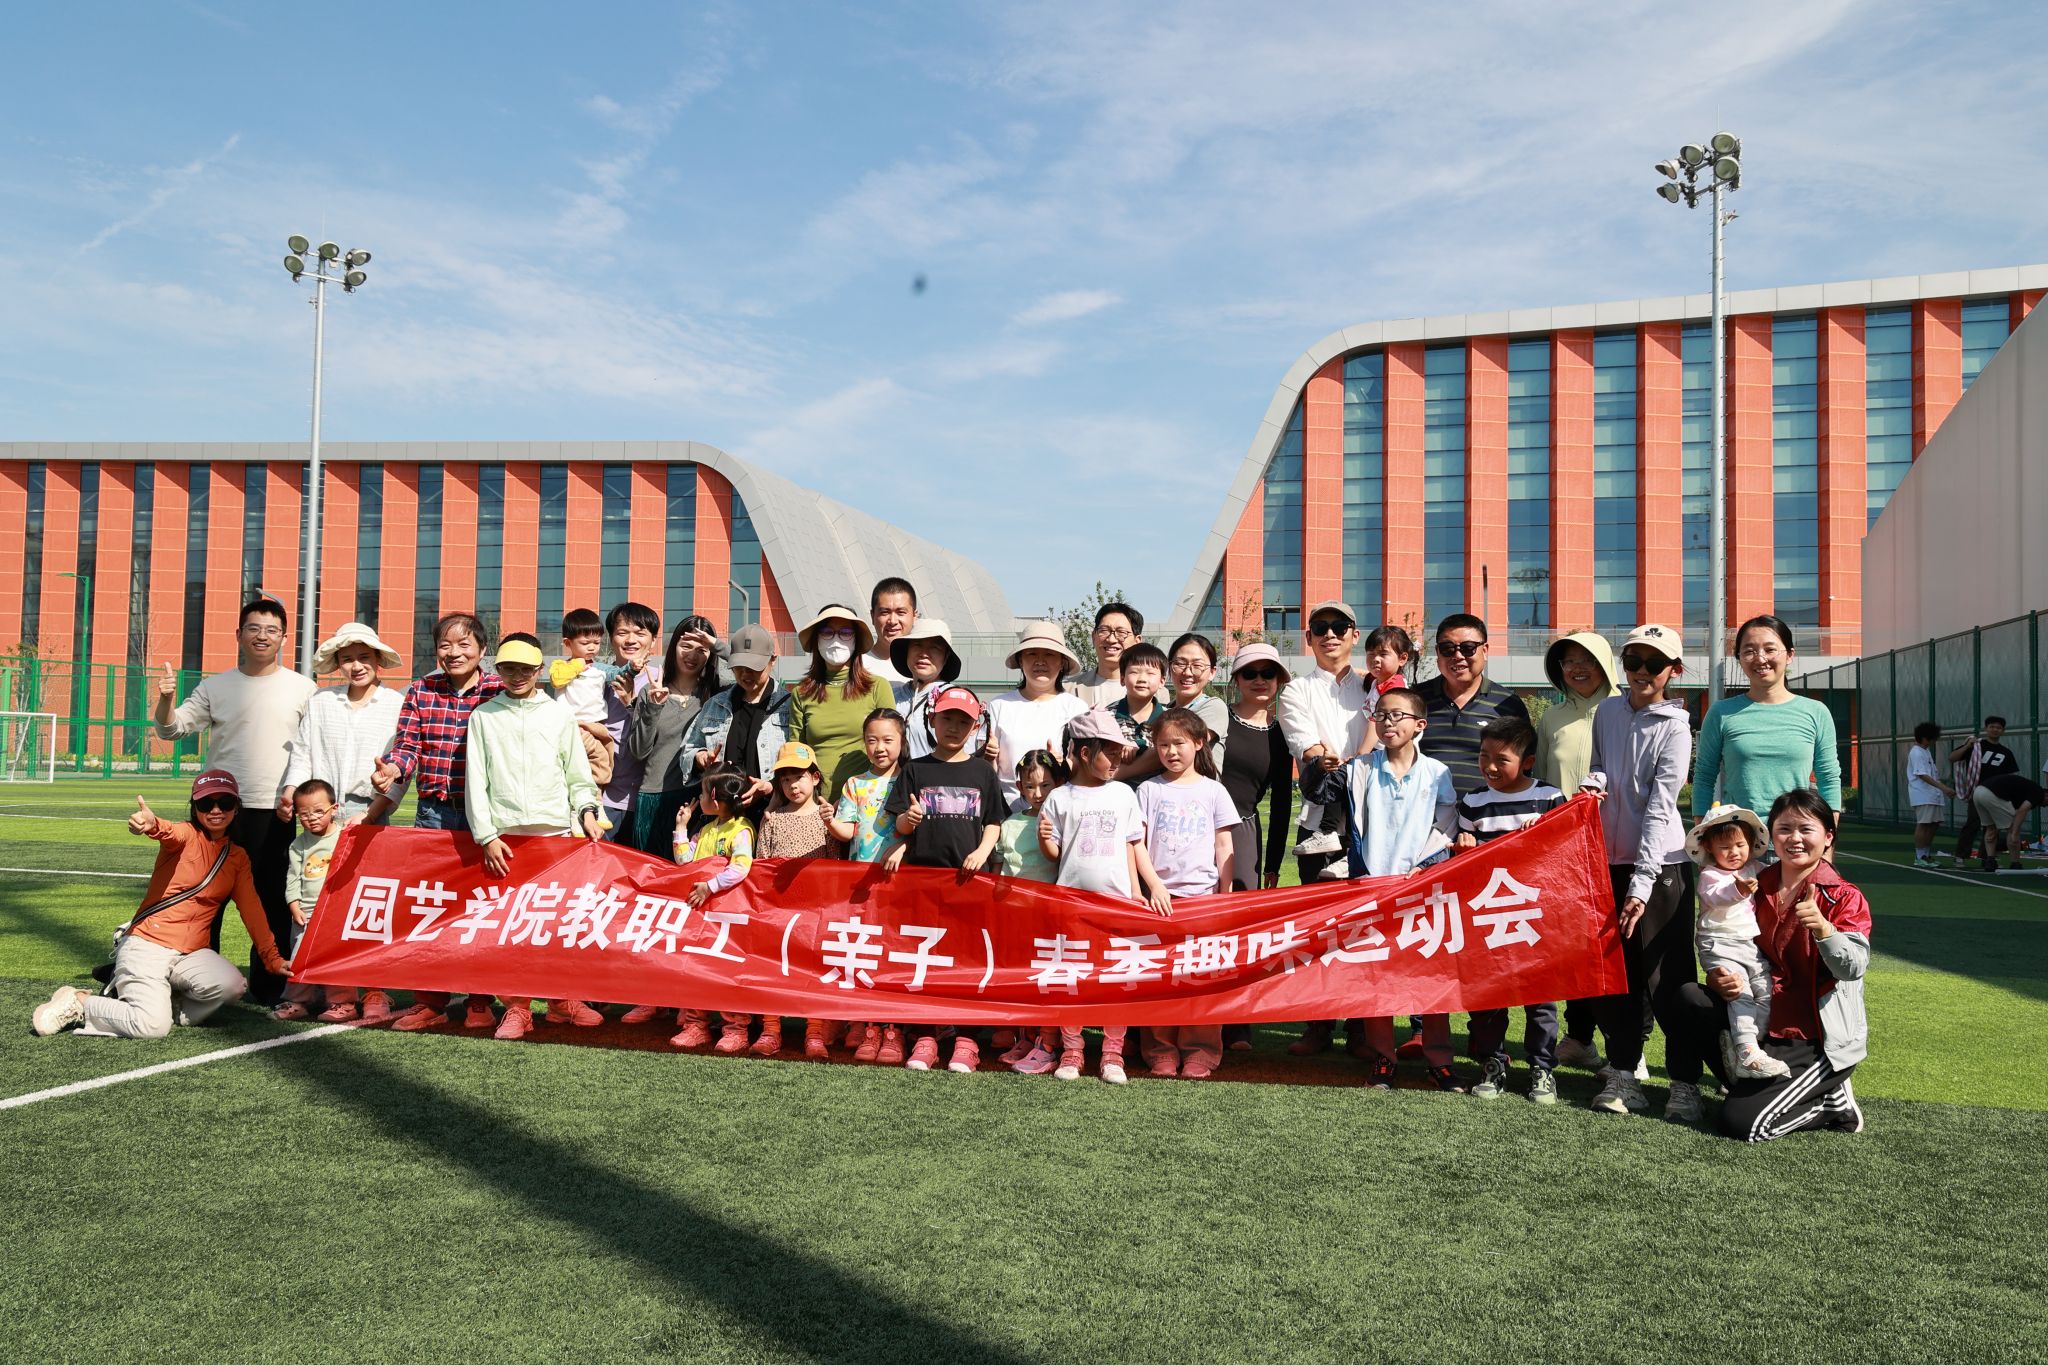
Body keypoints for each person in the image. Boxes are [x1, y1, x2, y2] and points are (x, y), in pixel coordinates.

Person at [1668, 791, 1872, 1141]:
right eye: (1785, 829)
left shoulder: (1842, 895)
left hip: (1812, 1037)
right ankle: (1731, 1084)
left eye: (1806, 829)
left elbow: (1852, 968)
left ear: (1828, 837)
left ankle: (1831, 1102)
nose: (1795, 838)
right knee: (1690, 998)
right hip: (1763, 1018)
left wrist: (1825, 930)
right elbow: (1724, 940)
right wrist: (1718, 979)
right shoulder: (1751, 884)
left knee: (1742, 1124)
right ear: (1770, 835)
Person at [32, 771, 291, 1040]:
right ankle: (79, 1001)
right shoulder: (186, 835)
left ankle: (162, 1002)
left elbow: (252, 911)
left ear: (236, 808)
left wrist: (272, 959)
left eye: (225, 803)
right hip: (148, 944)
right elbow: (167, 831)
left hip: (191, 953)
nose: (216, 810)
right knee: (152, 1027)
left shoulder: (237, 857)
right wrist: (150, 823)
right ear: (194, 807)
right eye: (206, 804)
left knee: (232, 986)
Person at [152, 595, 317, 1006]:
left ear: (284, 638)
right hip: (218, 809)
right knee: (204, 899)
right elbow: (172, 730)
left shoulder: (303, 689)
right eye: (254, 628)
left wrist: (299, 793)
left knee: (272, 900)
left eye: (272, 630)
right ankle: (197, 983)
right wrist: (167, 700)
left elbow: (313, 747)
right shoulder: (215, 686)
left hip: (275, 810)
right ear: (239, 634)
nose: (262, 636)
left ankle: (269, 985)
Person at [1299, 685, 1460, 1091]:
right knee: (1376, 980)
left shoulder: (1437, 773)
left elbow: (1446, 826)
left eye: (1397, 715)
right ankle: (1383, 1059)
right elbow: (1317, 791)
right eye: (1381, 715)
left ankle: (1439, 1060)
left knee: (1430, 980)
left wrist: (1425, 868)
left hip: (1421, 889)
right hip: (1371, 889)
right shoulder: (1359, 769)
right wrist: (1318, 766)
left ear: (1420, 725)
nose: (1388, 722)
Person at [1581, 624, 1704, 1121]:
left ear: (1673, 671)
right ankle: (1623, 1073)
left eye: (1654, 664)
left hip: (1661, 868)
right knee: (1616, 977)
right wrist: (1593, 783)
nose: (1641, 671)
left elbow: (1660, 807)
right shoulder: (1608, 711)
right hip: (1608, 864)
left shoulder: (1676, 727)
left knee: (1667, 979)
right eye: (1633, 660)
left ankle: (1685, 1083)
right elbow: (1600, 766)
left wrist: (1641, 883)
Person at [464, 633, 607, 1043]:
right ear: (498, 670)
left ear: (539, 670)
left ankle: (561, 1000)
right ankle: (518, 1008)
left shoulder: (558, 715)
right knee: (511, 930)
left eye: (525, 669)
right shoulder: (484, 716)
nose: (517, 675)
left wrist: (588, 811)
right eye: (509, 668)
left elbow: (578, 775)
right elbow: (476, 780)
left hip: (555, 836)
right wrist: (486, 835)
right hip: (505, 840)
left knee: (556, 925)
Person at [371, 611, 506, 1034]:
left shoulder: (499, 689)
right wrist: (393, 769)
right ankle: (430, 1001)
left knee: (482, 908)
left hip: (486, 816)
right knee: (430, 906)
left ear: (482, 649)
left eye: (464, 644)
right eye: (445, 645)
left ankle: (480, 1000)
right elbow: (408, 746)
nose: (454, 652)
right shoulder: (421, 690)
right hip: (433, 812)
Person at [1038, 708, 1171, 1084]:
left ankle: (1112, 1053)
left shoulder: (1123, 794)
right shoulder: (1059, 798)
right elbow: (1055, 855)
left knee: (1117, 979)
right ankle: (1072, 1050)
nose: (1117, 760)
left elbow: (1134, 845)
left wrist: (1149, 887)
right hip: (1071, 907)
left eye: (1118, 752)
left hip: (1116, 906)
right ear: (1084, 753)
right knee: (1072, 979)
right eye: (1109, 752)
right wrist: (1044, 839)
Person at [885, 686, 1009, 1072]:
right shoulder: (915, 769)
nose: (954, 727)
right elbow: (899, 824)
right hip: (923, 883)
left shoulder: (982, 771)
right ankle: (926, 1035)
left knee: (968, 962)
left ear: (975, 728)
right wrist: (909, 822)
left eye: (962, 721)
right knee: (924, 959)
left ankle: (967, 1039)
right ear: (932, 720)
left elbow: (994, 821)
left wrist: (982, 851)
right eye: (947, 719)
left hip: (969, 884)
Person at [1276, 602, 1373, 1057]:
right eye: (1320, 628)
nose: (1329, 635)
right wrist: (1351, 762)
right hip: (1319, 822)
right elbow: (1310, 749)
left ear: (1355, 634)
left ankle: (1363, 1026)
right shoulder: (1295, 690)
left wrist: (1346, 763)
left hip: (1374, 822)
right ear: (1309, 638)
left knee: (1368, 927)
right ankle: (1318, 1023)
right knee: (1319, 928)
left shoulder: (1375, 686)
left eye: (1339, 627)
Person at [1455, 716, 1566, 1103]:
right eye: (1483, 756)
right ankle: (1493, 1062)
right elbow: (1463, 865)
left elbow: (1563, 854)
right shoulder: (1473, 802)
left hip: (1535, 916)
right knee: (1488, 996)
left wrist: (1543, 836)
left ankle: (1542, 1067)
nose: (1489, 766)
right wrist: (1463, 850)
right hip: (1488, 915)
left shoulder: (1549, 798)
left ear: (1528, 762)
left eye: (1501, 759)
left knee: (1541, 998)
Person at [1135, 707, 1241, 1079]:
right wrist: (1153, 886)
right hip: (1159, 901)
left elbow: (1224, 845)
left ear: (1199, 743)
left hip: (1203, 899)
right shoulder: (1148, 790)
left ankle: (1201, 1050)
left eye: (1178, 743)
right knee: (1158, 978)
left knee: (1201, 978)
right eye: (1163, 744)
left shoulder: (1214, 790)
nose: (1171, 751)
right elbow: (1137, 844)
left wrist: (1224, 893)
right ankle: (1160, 1050)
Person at [1535, 629, 1621, 1072]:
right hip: (1565, 854)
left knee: (1619, 948)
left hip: (1617, 846)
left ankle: (1629, 1046)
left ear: (1605, 663)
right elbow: (1540, 782)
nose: (1577, 668)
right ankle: (1579, 1038)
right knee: (1572, 948)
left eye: (1586, 659)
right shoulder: (1552, 718)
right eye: (1568, 661)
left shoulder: (1626, 709)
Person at [1692, 614, 1842, 823]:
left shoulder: (1816, 712)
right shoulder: (1721, 712)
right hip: (1739, 837)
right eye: (1749, 651)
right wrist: (1701, 831)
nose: (1760, 658)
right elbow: (1704, 777)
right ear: (1739, 658)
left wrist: (1828, 834)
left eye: (1770, 649)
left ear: (1789, 655)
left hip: (1795, 836)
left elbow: (1829, 778)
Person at [828, 709, 911, 1065]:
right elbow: (847, 831)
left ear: (902, 741)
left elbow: (920, 828)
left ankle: (892, 1028)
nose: (880, 748)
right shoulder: (855, 784)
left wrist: (904, 847)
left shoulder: (910, 779)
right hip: (861, 884)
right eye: (872, 740)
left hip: (900, 884)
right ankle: (864, 1023)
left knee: (894, 953)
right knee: (865, 951)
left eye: (888, 740)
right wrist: (830, 822)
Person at [1687, 804, 1789, 1080]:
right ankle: (1747, 1051)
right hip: (1720, 942)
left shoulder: (1754, 867)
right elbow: (1716, 896)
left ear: (1751, 843)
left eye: (1740, 845)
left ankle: (1745, 1046)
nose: (1734, 852)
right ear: (1708, 847)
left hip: (1748, 944)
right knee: (1740, 993)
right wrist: (1739, 889)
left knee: (1766, 992)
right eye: (1725, 847)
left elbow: (1776, 874)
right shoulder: (1710, 875)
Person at [754, 740, 841, 1060]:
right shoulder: (772, 819)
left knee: (813, 971)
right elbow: (761, 866)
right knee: (772, 969)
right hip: (777, 910)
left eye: (799, 777)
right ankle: (770, 1029)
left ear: (815, 777)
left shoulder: (826, 818)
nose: (793, 785)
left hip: (815, 912)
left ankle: (814, 1032)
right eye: (786, 779)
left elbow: (835, 866)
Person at [282, 621, 406, 826]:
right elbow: (303, 754)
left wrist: (370, 814)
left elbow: (402, 769)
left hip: (371, 809)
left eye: (364, 657)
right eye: (347, 659)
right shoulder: (321, 701)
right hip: (321, 809)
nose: (356, 666)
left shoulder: (397, 704)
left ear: (378, 658)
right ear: (338, 663)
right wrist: (291, 791)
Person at [619, 615, 722, 857]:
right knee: (653, 873)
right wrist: (654, 707)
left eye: (702, 649)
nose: (692, 655)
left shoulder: (719, 694)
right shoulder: (651, 690)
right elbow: (638, 751)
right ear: (674, 645)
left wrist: (718, 646)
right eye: (685, 646)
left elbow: (748, 665)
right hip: (655, 798)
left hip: (701, 799)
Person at [675, 765, 760, 1054]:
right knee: (696, 968)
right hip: (702, 916)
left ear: (714, 797)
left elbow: (741, 867)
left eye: (702, 793)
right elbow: (685, 862)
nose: (698, 798)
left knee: (729, 972)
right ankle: (696, 1025)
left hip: (729, 918)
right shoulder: (706, 830)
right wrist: (681, 829)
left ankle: (736, 1030)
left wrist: (709, 887)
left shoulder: (741, 829)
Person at [999, 749, 1069, 1075]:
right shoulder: (1010, 823)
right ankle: (1026, 1037)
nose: (1038, 793)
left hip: (1050, 915)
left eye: (1045, 785)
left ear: (1059, 784)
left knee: (1047, 978)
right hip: (1015, 915)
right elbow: (1000, 868)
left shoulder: (1061, 821)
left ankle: (1048, 1042)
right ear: (1019, 787)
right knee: (1022, 977)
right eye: (1030, 786)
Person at [1413, 613, 1531, 800]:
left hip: (1488, 813)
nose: (1458, 656)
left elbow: (1524, 768)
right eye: (1447, 648)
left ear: (1485, 650)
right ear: (1437, 652)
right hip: (1423, 811)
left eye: (1468, 648)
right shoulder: (1414, 700)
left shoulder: (1508, 705)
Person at [677, 623, 791, 812]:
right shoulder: (716, 704)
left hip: (772, 812)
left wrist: (772, 786)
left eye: (754, 667)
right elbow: (688, 750)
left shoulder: (789, 706)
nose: (745, 674)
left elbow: (801, 763)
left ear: (772, 661)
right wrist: (700, 757)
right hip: (722, 815)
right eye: (739, 667)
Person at [789, 603, 897, 801]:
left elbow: (893, 746)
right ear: (816, 639)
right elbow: (795, 752)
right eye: (827, 632)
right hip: (815, 802)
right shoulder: (801, 693)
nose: (836, 639)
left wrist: (854, 798)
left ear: (856, 639)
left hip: (867, 802)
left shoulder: (877, 687)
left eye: (846, 632)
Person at [985, 622, 1089, 809]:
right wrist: (988, 756)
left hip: (1060, 812)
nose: (1040, 661)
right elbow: (987, 770)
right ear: (1020, 661)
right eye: (1032, 654)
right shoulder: (999, 706)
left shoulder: (1076, 708)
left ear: (1062, 662)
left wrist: (1063, 765)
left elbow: (1086, 767)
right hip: (1007, 812)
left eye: (1049, 654)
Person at [1219, 644, 1292, 894]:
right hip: (1199, 823)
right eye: (1249, 673)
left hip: (1243, 831)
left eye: (1268, 673)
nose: (1259, 680)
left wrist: (1272, 864)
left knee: (1240, 906)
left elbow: (1281, 803)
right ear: (1237, 679)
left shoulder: (1282, 735)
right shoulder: (1217, 717)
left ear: (1278, 680)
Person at [275, 779, 349, 1022]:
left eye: (319, 811)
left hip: (336, 912)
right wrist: (294, 905)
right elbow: (293, 878)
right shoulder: (298, 845)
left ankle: (343, 1002)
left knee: (337, 957)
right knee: (300, 957)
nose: (312, 818)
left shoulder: (345, 837)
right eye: (305, 814)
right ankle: (298, 1001)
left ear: (334, 809)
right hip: (306, 913)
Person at [596, 602, 663, 838]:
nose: (631, 640)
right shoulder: (596, 678)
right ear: (611, 638)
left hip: (647, 800)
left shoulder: (662, 681)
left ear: (653, 641)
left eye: (640, 633)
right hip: (603, 800)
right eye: (622, 633)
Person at [891, 617, 987, 758]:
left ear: (946, 657)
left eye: (934, 648)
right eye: (917, 645)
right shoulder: (891, 695)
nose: (924, 654)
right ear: (907, 651)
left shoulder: (956, 700)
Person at [548, 607, 619, 787]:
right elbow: (557, 680)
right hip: (573, 725)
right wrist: (577, 665)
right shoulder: (561, 666)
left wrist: (633, 668)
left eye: (596, 642)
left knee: (604, 755)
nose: (592, 647)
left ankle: (592, 790)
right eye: (586, 643)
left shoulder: (599, 668)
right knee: (598, 758)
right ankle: (593, 790)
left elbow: (617, 673)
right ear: (568, 643)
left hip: (597, 725)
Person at [1949, 716, 2019, 864]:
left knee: (1993, 826)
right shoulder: (1976, 746)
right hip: (1977, 792)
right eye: (1992, 727)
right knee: (1973, 823)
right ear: (1986, 729)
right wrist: (1967, 747)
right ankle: (1960, 855)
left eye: (1998, 727)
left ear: (2003, 731)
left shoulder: (2006, 752)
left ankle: (1986, 857)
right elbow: (1953, 758)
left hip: (1996, 795)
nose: (1995, 730)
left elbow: (2011, 775)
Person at [1108, 642, 1169, 772]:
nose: (1142, 679)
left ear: (1162, 681)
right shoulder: (1107, 716)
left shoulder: (1170, 719)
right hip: (1115, 783)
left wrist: (1139, 745)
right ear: (1122, 678)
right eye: (1134, 672)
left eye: (1150, 673)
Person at [1067, 602, 1141, 707]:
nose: (1111, 639)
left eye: (1121, 632)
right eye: (1104, 630)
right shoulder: (1067, 689)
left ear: (1137, 641)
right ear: (1093, 637)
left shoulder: (1157, 694)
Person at [1973, 768, 2046, 870]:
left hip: (1978, 792)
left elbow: (2005, 813)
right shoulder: (2038, 793)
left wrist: (1997, 829)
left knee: (1991, 828)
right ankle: (2015, 863)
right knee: (2012, 829)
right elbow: (2022, 811)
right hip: (1993, 794)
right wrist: (2015, 832)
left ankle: (1990, 862)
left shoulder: (2024, 791)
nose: (2045, 806)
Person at [1906, 722, 1954, 868]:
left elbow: (1930, 774)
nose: (1934, 741)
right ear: (1925, 738)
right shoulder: (1916, 752)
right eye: (1933, 738)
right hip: (1923, 794)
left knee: (1933, 824)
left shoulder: (1925, 751)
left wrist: (1942, 786)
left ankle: (1925, 855)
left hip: (1932, 794)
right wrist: (1944, 788)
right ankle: (1919, 856)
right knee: (1924, 824)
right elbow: (1922, 774)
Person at [864, 576, 918, 686]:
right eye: (885, 612)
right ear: (872, 616)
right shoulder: (857, 667)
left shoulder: (925, 667)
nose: (892, 621)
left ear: (914, 616)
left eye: (901, 612)